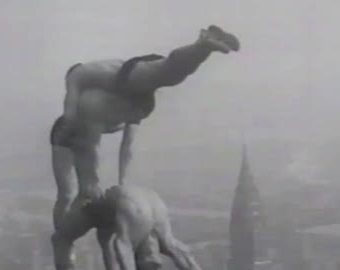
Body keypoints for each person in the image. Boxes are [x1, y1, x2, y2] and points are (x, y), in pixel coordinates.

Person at [50, 25, 240, 230]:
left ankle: (202, 45)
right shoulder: (92, 98)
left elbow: (80, 124)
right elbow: (122, 145)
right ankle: (202, 47)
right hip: (127, 92)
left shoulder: (80, 78)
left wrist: (114, 185)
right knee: (166, 75)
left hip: (126, 80)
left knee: (165, 73)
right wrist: (120, 182)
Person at [51, 184, 202, 270]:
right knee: (61, 238)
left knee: (62, 239)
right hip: (147, 203)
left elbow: (119, 253)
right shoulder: (156, 235)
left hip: (130, 204)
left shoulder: (111, 223)